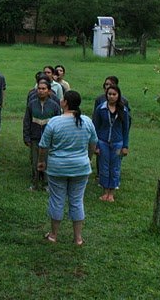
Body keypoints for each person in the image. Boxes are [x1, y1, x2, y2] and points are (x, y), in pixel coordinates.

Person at [37, 90, 98, 245]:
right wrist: (88, 159)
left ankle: (53, 235)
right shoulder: (87, 121)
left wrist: (41, 161)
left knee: (57, 200)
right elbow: (92, 143)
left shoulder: (54, 122)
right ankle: (78, 238)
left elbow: (44, 146)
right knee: (77, 201)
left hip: (58, 167)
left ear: (65, 103)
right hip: (81, 167)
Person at [92, 85, 131, 202]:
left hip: (118, 143)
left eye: (114, 94)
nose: (111, 97)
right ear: (106, 95)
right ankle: (105, 192)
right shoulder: (101, 109)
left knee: (115, 167)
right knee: (104, 167)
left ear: (118, 95)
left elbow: (125, 130)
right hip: (103, 142)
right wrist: (96, 145)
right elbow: (95, 127)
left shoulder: (123, 110)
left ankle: (111, 193)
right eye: (109, 94)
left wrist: (125, 146)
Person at [23, 79, 61, 191]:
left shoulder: (54, 105)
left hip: (49, 139)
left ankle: (46, 184)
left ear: (49, 91)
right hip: (35, 137)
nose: (41, 91)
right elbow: (26, 121)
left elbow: (58, 123)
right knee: (35, 161)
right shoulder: (31, 104)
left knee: (47, 161)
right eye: (39, 89)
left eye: (44, 89)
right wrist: (26, 136)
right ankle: (34, 183)